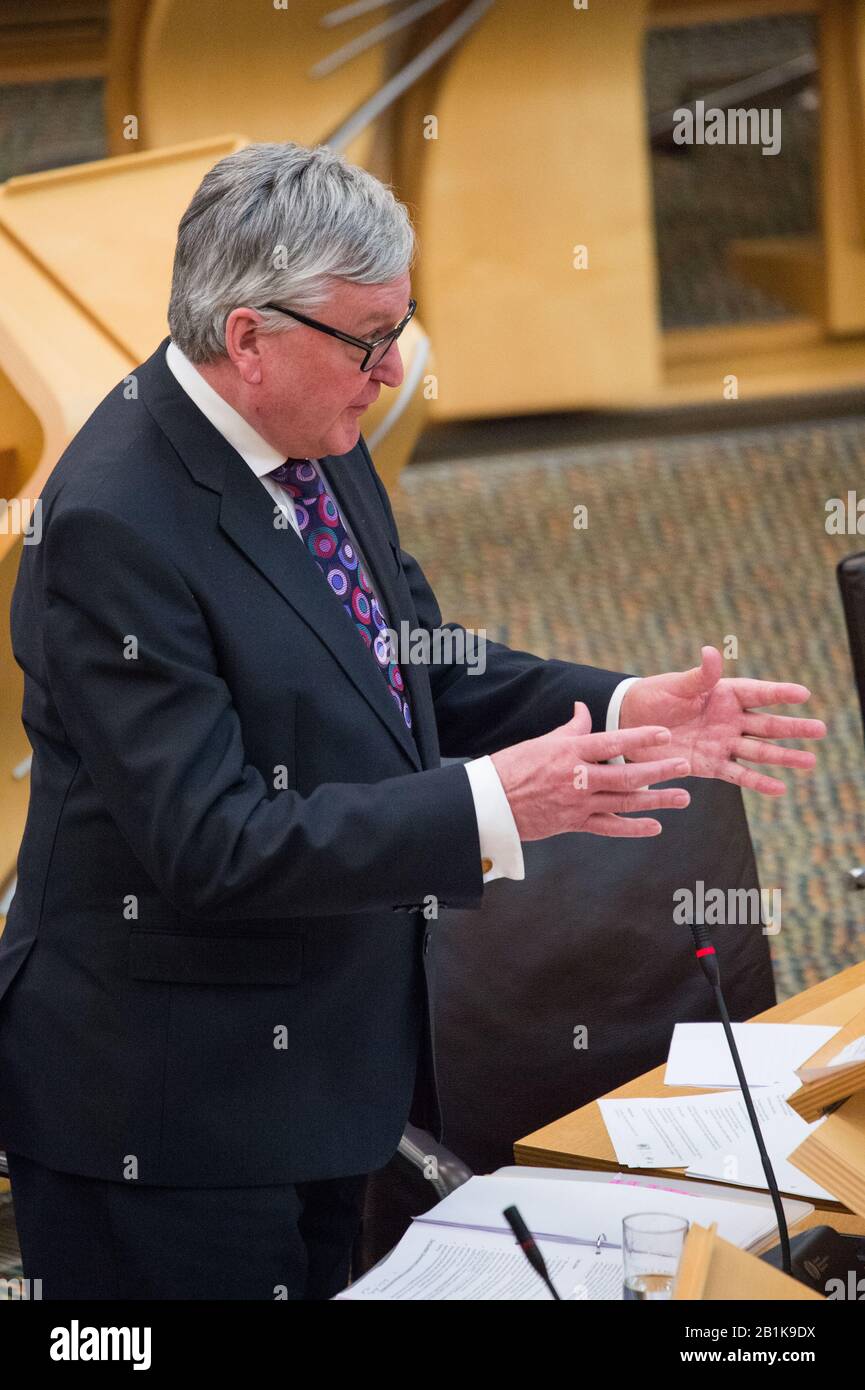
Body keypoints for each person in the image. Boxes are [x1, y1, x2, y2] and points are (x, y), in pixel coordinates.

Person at [0, 141, 825, 1300]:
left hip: (328, 1069)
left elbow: (408, 667)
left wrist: (627, 702)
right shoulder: (111, 530)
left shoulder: (311, 428)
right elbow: (213, 843)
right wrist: (499, 801)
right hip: (168, 1116)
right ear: (249, 338)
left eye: (400, 328)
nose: (391, 371)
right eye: (369, 339)